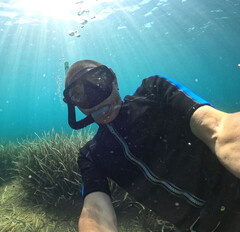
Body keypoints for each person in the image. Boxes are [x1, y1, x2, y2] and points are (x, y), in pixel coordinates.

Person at [63, 59, 240, 232]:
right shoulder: (91, 155)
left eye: (98, 82)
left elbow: (217, 126)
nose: (95, 99)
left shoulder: (153, 91)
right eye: (79, 94)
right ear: (75, 105)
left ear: (114, 79)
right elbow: (95, 211)